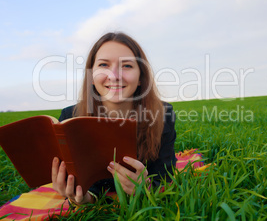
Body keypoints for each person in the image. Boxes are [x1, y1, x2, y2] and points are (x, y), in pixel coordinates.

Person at [51, 32, 177, 206]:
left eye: (126, 66)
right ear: (92, 76)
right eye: (103, 65)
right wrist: (83, 198)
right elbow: (81, 182)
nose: (115, 75)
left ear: (140, 77)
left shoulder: (163, 114)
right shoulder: (70, 117)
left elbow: (165, 178)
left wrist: (146, 187)